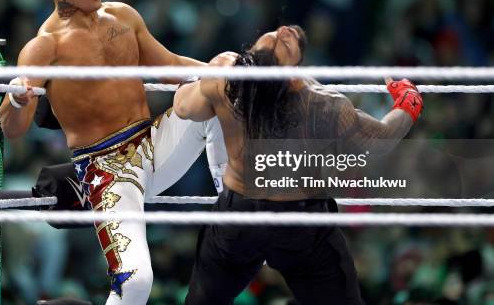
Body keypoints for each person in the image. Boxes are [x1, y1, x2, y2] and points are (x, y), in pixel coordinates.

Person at [0, 0, 228, 305]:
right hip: (105, 171)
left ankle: (232, 200)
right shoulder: (45, 46)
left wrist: (232, 74)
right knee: (136, 281)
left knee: (220, 81)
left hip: (154, 143)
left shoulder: (123, 16)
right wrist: (16, 97)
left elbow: (169, 67)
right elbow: (13, 128)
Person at [173, 25, 423, 304]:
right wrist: (408, 103)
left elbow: (185, 108)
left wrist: (198, 79)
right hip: (298, 225)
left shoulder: (224, 78)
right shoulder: (321, 104)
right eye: (280, 39)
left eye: (286, 39)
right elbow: (380, 139)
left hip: (239, 216)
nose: (284, 31)